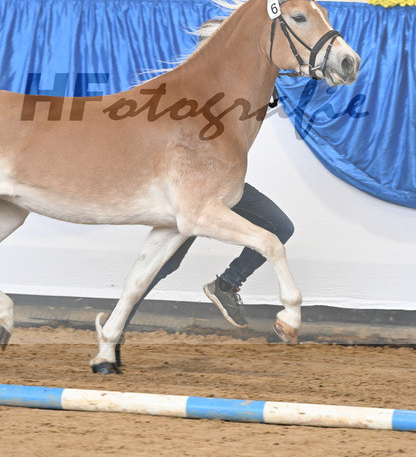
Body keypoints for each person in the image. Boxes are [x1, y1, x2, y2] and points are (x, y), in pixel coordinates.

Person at [125, 17, 294, 329]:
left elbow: (269, 100)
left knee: (280, 226)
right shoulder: (185, 90)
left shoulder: (240, 87)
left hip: (220, 188)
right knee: (166, 262)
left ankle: (227, 285)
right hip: (186, 192)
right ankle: (118, 321)